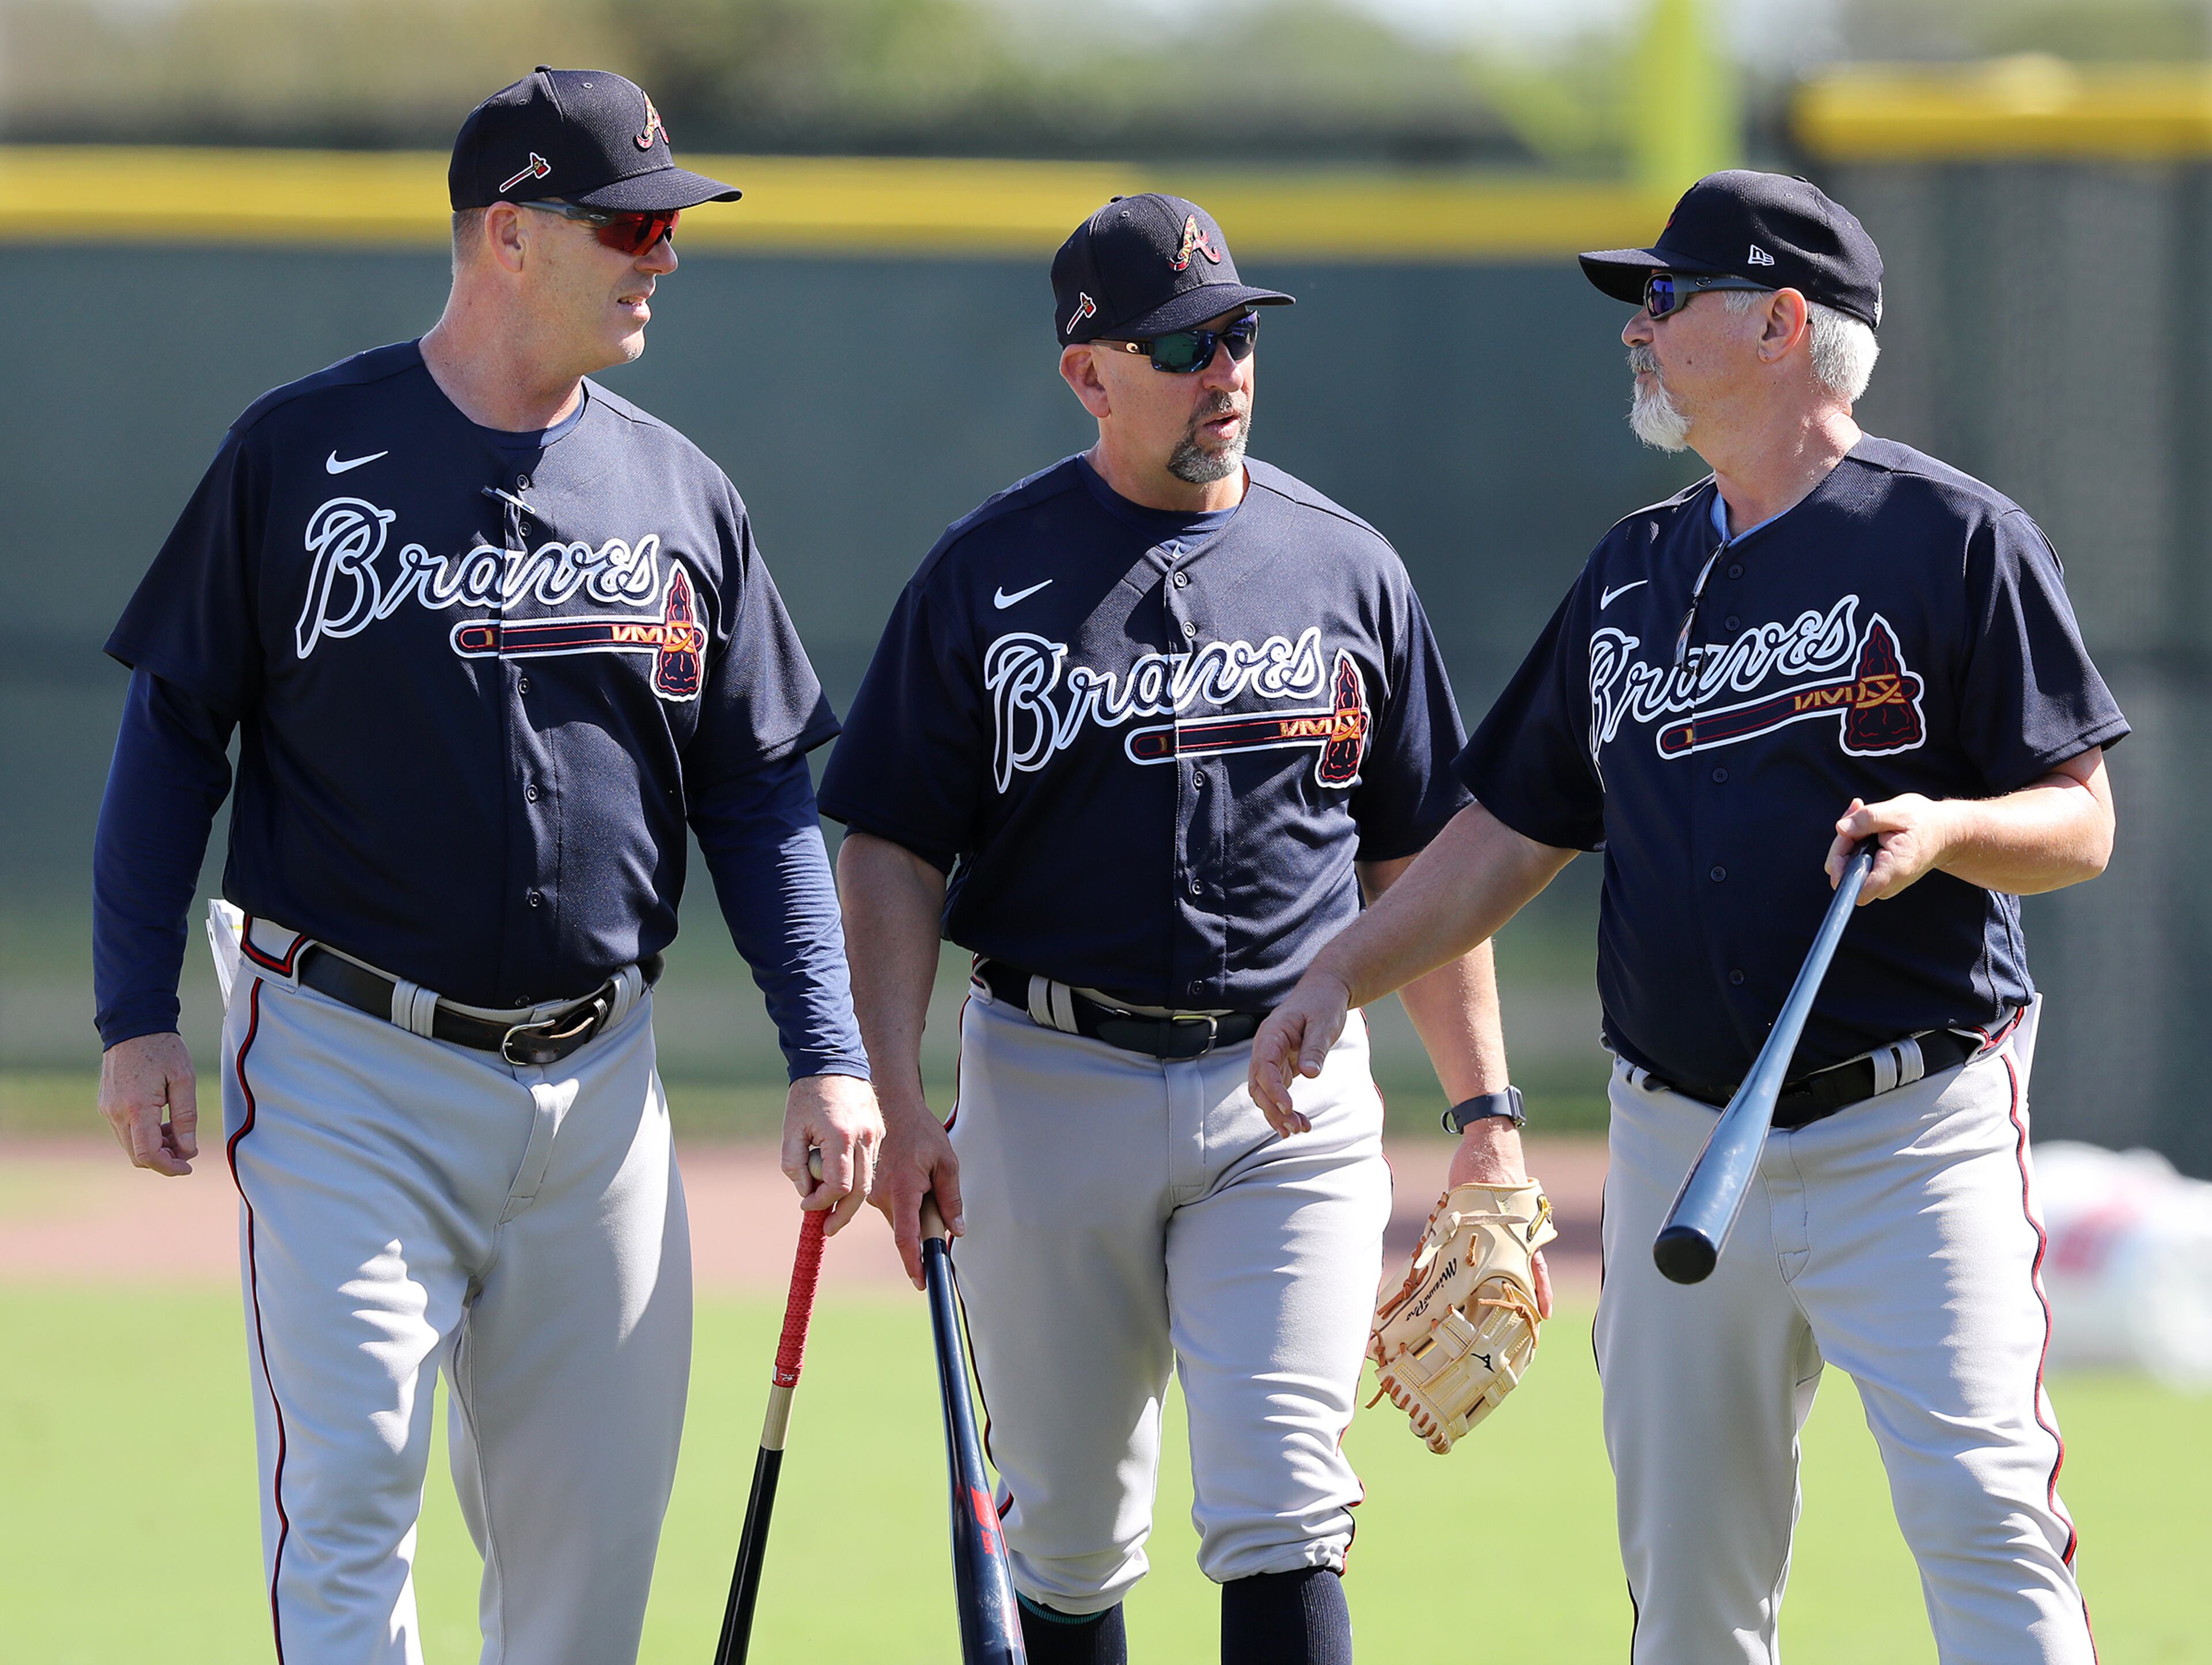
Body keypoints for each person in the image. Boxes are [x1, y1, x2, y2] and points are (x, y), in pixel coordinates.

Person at [1253, 170, 2124, 1663]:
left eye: (1666, 299)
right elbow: (1505, 836)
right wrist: (1337, 971)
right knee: (1693, 1587)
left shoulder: (1953, 538)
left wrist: (1953, 828)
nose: (1636, 330)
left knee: (1988, 1519)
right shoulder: (1634, 575)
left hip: (1905, 1131)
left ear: (1785, 321)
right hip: (1671, 1134)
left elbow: (2082, 821)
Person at [90, 67, 880, 1665]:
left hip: (601, 1088)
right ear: (508, 233)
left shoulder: (679, 491)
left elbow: (757, 796)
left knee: (588, 1575)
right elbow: (176, 731)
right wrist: (133, 1011)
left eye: (671, 223)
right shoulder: (304, 453)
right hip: (344, 1067)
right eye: (633, 222)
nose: (666, 252)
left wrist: (832, 1052)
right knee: (348, 1516)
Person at [819, 193, 1544, 1665]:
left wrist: (1488, 1116)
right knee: (1072, 1539)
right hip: (1049, 1074)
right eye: (1181, 345)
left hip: (1290, 1088)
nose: (1225, 369)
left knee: (1286, 1501)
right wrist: (897, 1102)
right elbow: (890, 846)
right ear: (1088, 373)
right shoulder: (987, 574)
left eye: (1238, 335)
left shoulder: (1348, 569)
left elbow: (1424, 862)